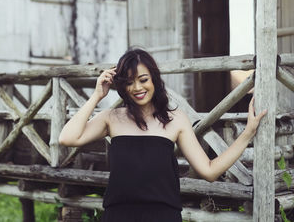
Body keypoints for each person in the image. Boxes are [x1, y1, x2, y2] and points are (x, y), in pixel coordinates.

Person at [58, 48, 267, 222]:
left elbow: (209, 171)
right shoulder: (111, 118)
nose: (137, 88)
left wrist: (247, 134)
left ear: (154, 79)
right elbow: (67, 138)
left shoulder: (176, 120)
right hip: (118, 215)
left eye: (143, 79)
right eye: (129, 82)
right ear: (122, 86)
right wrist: (97, 95)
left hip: (163, 216)